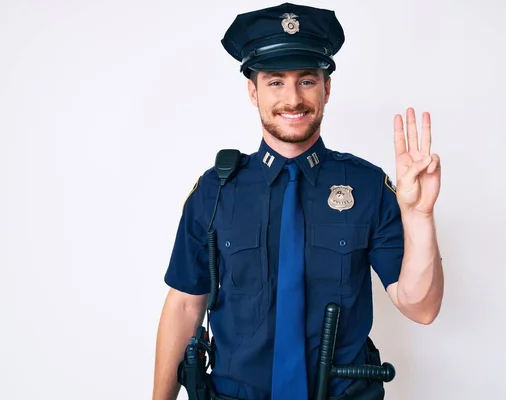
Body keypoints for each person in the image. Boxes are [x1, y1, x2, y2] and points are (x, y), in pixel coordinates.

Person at [152, 3, 444, 400]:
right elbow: (185, 306)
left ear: (327, 88)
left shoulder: (368, 186)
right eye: (275, 81)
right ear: (253, 91)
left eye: (307, 80)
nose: (293, 98)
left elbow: (420, 307)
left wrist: (420, 215)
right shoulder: (214, 190)